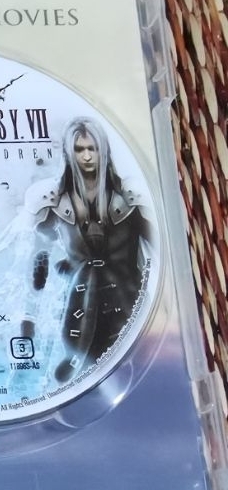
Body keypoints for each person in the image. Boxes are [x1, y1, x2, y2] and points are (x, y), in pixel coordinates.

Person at [25, 117, 153, 383]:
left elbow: (161, 248)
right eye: (79, 149)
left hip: (130, 304)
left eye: (92, 149)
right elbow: (39, 258)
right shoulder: (54, 201)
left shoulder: (130, 197)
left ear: (102, 150)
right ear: (69, 153)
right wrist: (28, 318)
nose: (86, 156)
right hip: (78, 311)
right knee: (75, 375)